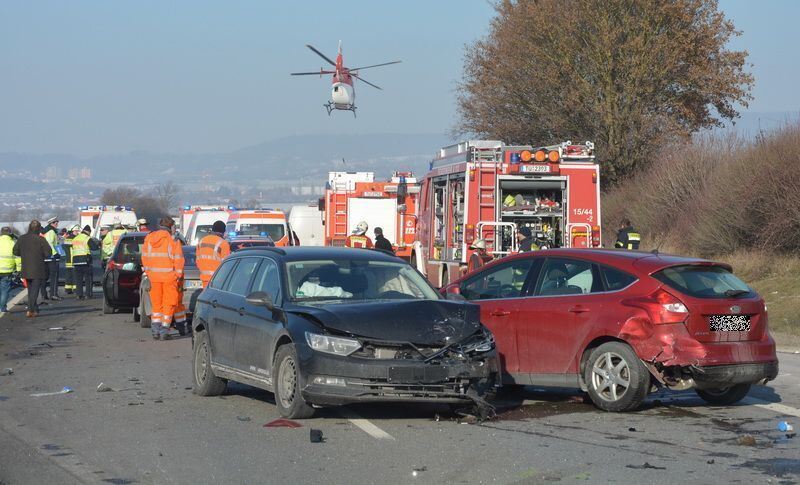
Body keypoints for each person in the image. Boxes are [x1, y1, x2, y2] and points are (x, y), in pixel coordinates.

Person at [141, 217, 184, 340]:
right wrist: (178, 276)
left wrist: (148, 273)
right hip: (169, 278)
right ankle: (164, 330)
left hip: (154, 278)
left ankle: (155, 330)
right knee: (168, 304)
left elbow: (145, 258)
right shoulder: (173, 240)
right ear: (170, 227)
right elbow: (179, 260)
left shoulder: (149, 238)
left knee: (156, 305)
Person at [13, 220, 52, 317]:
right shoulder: (40, 239)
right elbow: (48, 253)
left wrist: (24, 253)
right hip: (38, 268)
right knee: (35, 290)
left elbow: (15, 251)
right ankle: (30, 310)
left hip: (25, 267)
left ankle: (35, 309)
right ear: (39, 228)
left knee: (30, 290)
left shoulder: (22, 238)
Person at [196, 220, 231, 289]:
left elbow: (197, 260)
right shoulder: (223, 243)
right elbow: (227, 265)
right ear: (223, 232)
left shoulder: (201, 241)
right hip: (218, 280)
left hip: (204, 279)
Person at [72, 225, 99, 300]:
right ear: (88, 231)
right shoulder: (87, 238)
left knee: (78, 279)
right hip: (85, 260)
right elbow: (94, 248)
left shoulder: (75, 238)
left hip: (76, 260)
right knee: (88, 278)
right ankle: (88, 294)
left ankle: (79, 294)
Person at [0, 227, 22, 313]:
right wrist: (19, 269)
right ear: (10, 233)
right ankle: (3, 308)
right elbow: (17, 257)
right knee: (4, 289)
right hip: (7, 270)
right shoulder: (13, 243)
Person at [40, 216, 61, 301]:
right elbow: (50, 244)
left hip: (44, 256)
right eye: (55, 223)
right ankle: (53, 294)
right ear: (51, 224)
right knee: (54, 276)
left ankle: (44, 294)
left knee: (44, 276)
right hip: (51, 256)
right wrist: (56, 253)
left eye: (57, 222)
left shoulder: (44, 231)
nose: (57, 224)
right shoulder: (51, 231)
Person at [62, 225, 80, 294]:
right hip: (73, 259)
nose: (77, 232)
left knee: (69, 274)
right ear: (72, 231)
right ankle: (75, 289)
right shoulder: (72, 239)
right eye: (76, 231)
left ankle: (68, 289)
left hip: (69, 260)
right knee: (74, 274)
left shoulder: (68, 238)